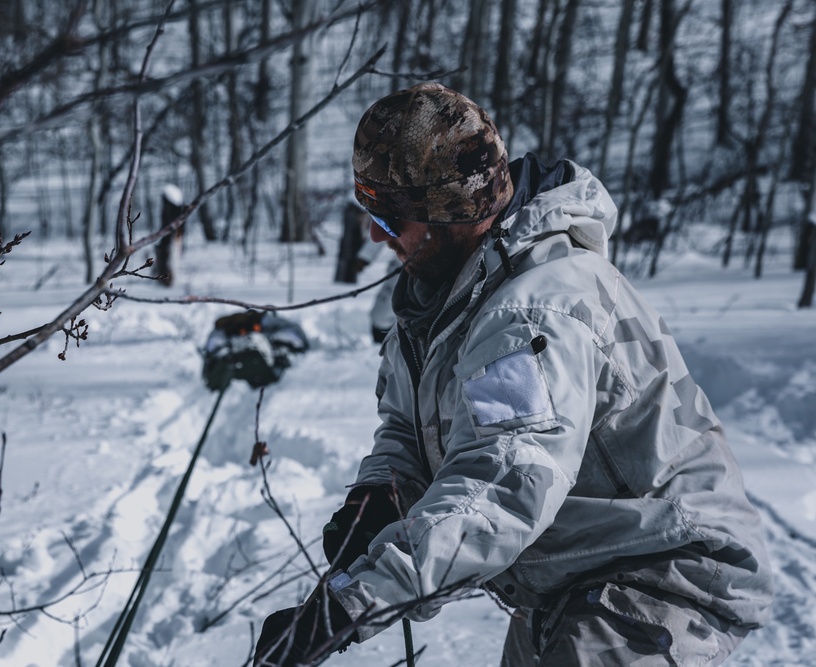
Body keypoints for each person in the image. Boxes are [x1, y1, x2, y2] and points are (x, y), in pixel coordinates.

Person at [253, 82, 773, 666]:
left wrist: (352, 605)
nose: (376, 235)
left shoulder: (533, 310)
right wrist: (382, 492)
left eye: (389, 216)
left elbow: (503, 483)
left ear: (451, 211)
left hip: (662, 571)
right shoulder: (438, 301)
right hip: (574, 575)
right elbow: (403, 422)